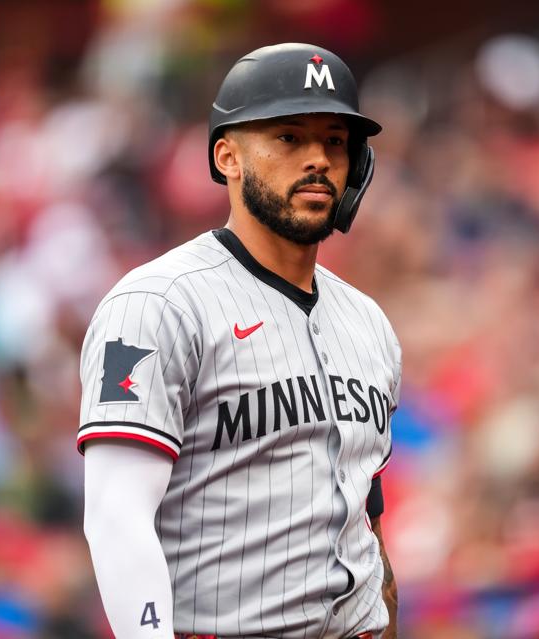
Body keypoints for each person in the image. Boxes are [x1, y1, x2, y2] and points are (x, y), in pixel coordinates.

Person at [79, 43, 400, 639]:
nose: (319, 159)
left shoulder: (369, 322)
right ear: (227, 156)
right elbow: (115, 516)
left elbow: (369, 523)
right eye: (288, 138)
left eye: (334, 141)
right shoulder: (155, 304)